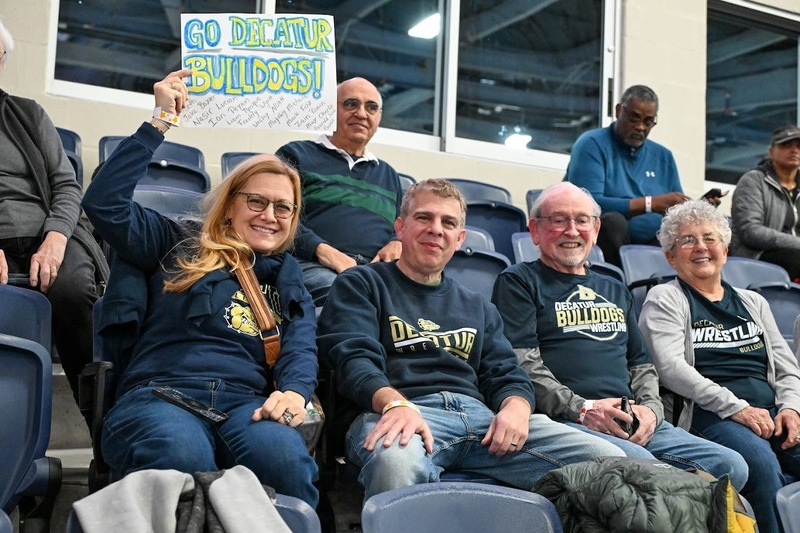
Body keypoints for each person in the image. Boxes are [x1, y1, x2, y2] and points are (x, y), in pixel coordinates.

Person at [81, 70, 319, 507]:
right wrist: (159, 122)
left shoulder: (286, 274)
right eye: (257, 201)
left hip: (247, 406)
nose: (270, 214)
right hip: (161, 395)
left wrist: (295, 392)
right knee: (180, 458)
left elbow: (300, 346)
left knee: (288, 464)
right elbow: (103, 204)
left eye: (284, 207)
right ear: (229, 205)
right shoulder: (173, 240)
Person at [317, 178, 626, 501]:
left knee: (611, 464)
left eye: (448, 222)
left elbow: (506, 372)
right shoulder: (362, 283)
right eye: (424, 217)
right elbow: (354, 359)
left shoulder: (476, 305)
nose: (436, 229)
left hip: (482, 421)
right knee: (395, 463)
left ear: (459, 237)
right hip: (396, 411)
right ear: (400, 227)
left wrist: (516, 408)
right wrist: (394, 403)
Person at [492, 182, 748, 492]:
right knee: (642, 467)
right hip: (569, 420)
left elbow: (641, 366)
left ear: (596, 229)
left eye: (582, 220)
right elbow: (523, 366)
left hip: (630, 418)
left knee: (731, 466)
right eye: (559, 220)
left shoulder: (613, 287)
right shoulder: (518, 281)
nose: (572, 231)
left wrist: (651, 412)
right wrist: (583, 409)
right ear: (535, 230)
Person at [639, 199, 800, 533]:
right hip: (706, 414)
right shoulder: (665, 298)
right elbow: (670, 368)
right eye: (687, 240)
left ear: (725, 249)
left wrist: (791, 409)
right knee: (759, 463)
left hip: (770, 410)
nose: (701, 248)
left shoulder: (753, 301)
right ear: (671, 256)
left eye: (709, 238)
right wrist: (737, 408)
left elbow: (786, 366)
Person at [0, 19, 107, 405]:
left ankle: (100, 421)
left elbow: (66, 184)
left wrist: (57, 238)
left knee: (74, 291)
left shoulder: (28, 115)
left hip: (48, 232)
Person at [276, 77, 402, 306]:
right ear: (330, 110)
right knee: (346, 297)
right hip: (312, 265)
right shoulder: (296, 154)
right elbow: (277, 215)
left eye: (371, 107)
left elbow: (402, 226)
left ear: (379, 118)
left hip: (375, 274)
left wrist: (397, 241)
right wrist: (323, 251)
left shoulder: (389, 175)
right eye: (351, 104)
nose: (361, 113)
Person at [564, 85, 691, 267]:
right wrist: (650, 204)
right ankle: (618, 285)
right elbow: (585, 204)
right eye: (633, 118)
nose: (640, 127)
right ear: (618, 111)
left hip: (654, 245)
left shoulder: (664, 157)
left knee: (692, 234)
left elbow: (675, 210)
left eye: (648, 122)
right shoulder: (591, 144)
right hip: (603, 241)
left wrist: (700, 207)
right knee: (613, 222)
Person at [730, 125, 800, 281]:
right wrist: (797, 243)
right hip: (756, 256)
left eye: (798, 146)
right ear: (771, 152)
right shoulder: (753, 181)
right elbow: (751, 231)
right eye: (786, 145)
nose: (794, 150)